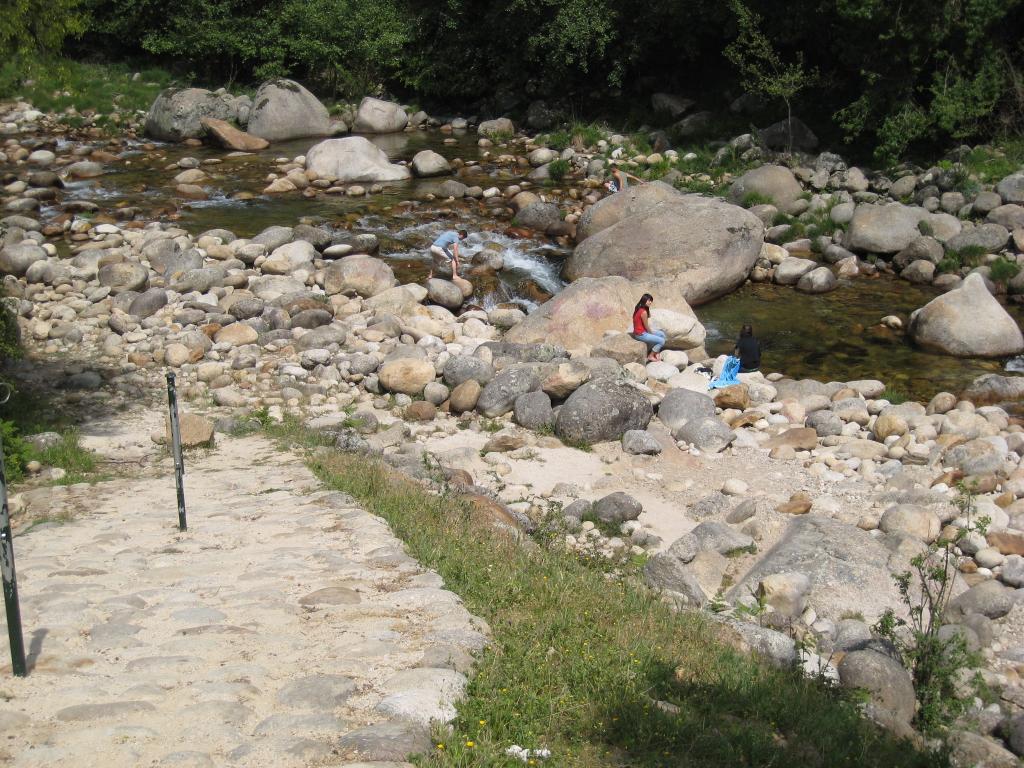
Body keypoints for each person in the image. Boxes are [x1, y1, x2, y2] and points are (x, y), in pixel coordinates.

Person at [630, 293, 666, 362]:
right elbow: (646, 326)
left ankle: (656, 352)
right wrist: (651, 333)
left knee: (662, 334)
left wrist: (647, 308)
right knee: (662, 341)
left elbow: (649, 316)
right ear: (644, 300)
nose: (650, 302)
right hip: (641, 334)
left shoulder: (639, 308)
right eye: (649, 300)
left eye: (651, 301)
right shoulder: (643, 312)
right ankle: (651, 356)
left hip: (641, 332)